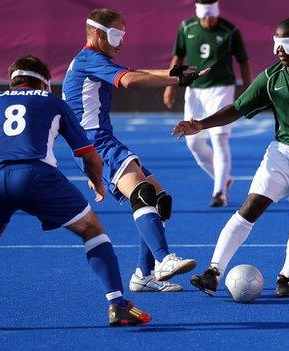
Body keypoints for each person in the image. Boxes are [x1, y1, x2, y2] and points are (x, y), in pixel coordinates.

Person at [0, 55, 151, 329]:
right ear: (44, 81)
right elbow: (90, 156)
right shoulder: (52, 101)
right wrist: (96, 181)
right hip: (37, 177)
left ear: (13, 81)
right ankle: (118, 306)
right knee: (92, 229)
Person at [173, 17, 289, 297]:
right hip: (282, 153)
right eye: (276, 43)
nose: (279, 50)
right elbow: (237, 107)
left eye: (287, 43)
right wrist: (201, 124)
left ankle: (287, 279)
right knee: (250, 206)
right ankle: (213, 272)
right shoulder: (272, 77)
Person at [62, 8, 207, 293]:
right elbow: (128, 80)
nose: (122, 42)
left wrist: (174, 73)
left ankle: (144, 275)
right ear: (98, 33)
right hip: (96, 143)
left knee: (160, 198)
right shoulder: (90, 59)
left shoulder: (93, 60)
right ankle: (163, 259)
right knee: (143, 193)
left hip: (97, 143)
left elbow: (131, 73)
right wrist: (175, 80)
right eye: (116, 35)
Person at [163, 0, 252, 207]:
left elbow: (244, 61)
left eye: (211, 15)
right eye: (204, 16)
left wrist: (249, 92)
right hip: (194, 91)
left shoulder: (230, 30)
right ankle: (223, 177)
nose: (208, 20)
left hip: (221, 89)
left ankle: (219, 191)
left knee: (219, 139)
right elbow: (178, 57)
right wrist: (170, 85)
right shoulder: (186, 27)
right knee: (193, 142)